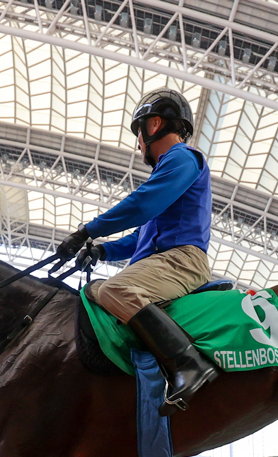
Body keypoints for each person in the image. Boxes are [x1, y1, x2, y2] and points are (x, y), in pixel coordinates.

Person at [56, 88, 218, 414]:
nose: (138, 144)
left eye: (139, 134)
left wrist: (86, 231)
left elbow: (141, 205)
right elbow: (139, 239)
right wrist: (101, 251)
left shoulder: (181, 158)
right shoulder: (167, 177)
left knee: (112, 288)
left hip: (180, 261)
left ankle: (189, 365)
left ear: (154, 124)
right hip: (163, 260)